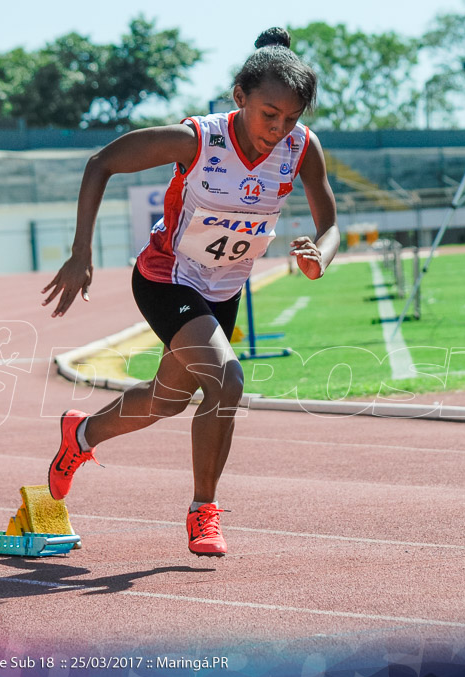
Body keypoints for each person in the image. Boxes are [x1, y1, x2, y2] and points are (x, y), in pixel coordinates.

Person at [41, 27, 339, 558]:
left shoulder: (301, 149)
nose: (279, 128)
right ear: (240, 97)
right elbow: (100, 162)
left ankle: (79, 436)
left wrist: (321, 256)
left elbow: (330, 224)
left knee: (166, 402)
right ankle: (204, 511)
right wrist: (81, 252)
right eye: (269, 114)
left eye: (292, 118)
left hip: (223, 292)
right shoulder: (197, 140)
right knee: (227, 383)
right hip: (166, 277)